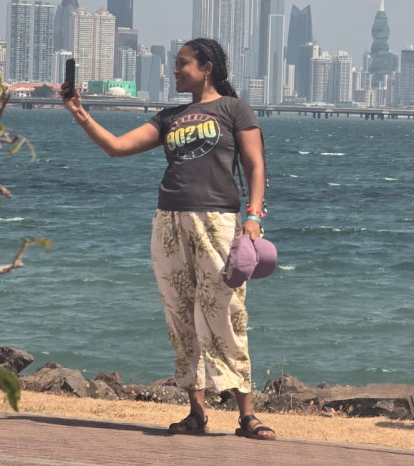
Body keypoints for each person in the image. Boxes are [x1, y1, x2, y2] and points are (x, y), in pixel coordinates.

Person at [62, 37, 276, 440]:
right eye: (175, 64)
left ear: (207, 66)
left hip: (218, 220)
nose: (175, 70)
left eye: (182, 63)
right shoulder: (169, 117)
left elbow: (255, 163)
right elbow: (117, 147)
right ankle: (196, 412)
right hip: (169, 221)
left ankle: (247, 414)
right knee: (180, 316)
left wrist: (254, 216)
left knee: (225, 312)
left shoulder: (234, 109)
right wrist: (79, 113)